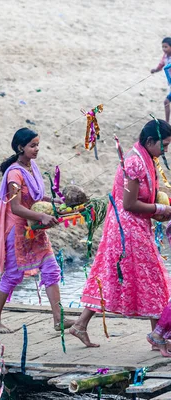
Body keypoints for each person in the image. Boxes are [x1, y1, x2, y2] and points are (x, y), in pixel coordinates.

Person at [71, 119, 171, 348]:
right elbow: (129, 203)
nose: (165, 150)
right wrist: (161, 209)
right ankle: (158, 338)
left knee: (113, 277)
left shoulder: (146, 158)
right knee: (153, 277)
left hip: (134, 225)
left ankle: (80, 325)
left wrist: (158, 208)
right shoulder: (135, 162)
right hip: (127, 228)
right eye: (163, 145)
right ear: (149, 141)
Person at [0, 128, 70, 333]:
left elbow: (36, 197)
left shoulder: (32, 167)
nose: (36, 149)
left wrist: (54, 201)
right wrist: (41, 216)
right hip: (18, 230)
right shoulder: (14, 173)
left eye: (37, 145)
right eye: (32, 145)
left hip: (35, 228)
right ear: (20, 147)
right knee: (13, 275)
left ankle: (59, 320)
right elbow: (16, 207)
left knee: (51, 269)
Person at [151, 38, 171, 123]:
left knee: (166, 101)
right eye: (163, 47)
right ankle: (167, 122)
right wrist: (155, 70)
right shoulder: (165, 57)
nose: (164, 49)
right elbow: (161, 64)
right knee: (166, 102)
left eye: (166, 47)